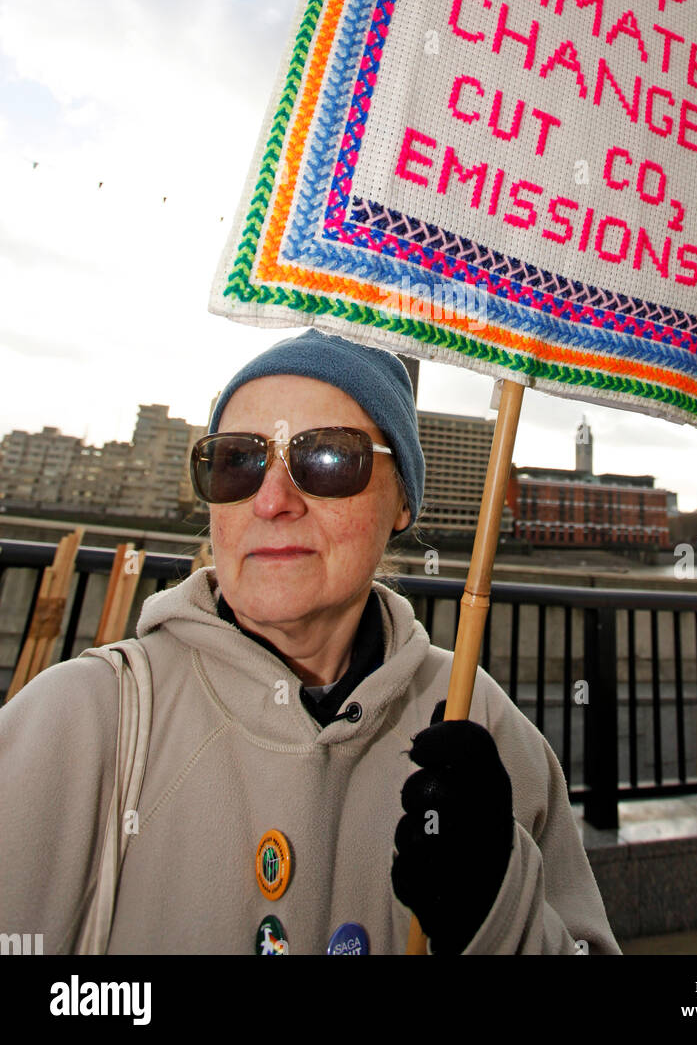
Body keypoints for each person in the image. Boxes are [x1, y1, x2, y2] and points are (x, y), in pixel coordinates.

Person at [0, 329, 621, 956]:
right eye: (237, 460)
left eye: (329, 459)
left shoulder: (478, 722)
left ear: (402, 499)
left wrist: (502, 920)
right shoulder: (78, 721)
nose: (271, 501)